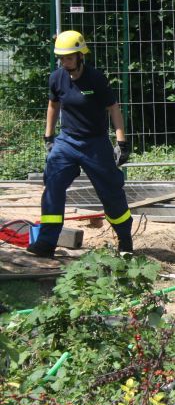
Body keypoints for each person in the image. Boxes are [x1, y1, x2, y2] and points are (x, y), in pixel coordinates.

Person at [27, 30, 132, 258]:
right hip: (67, 141)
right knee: (53, 186)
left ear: (80, 56)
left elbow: (113, 108)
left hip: (95, 144)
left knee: (111, 193)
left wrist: (121, 141)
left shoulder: (95, 79)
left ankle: (125, 240)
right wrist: (49, 137)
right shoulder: (56, 78)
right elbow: (53, 105)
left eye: (69, 58)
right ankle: (46, 244)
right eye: (62, 58)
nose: (65, 63)